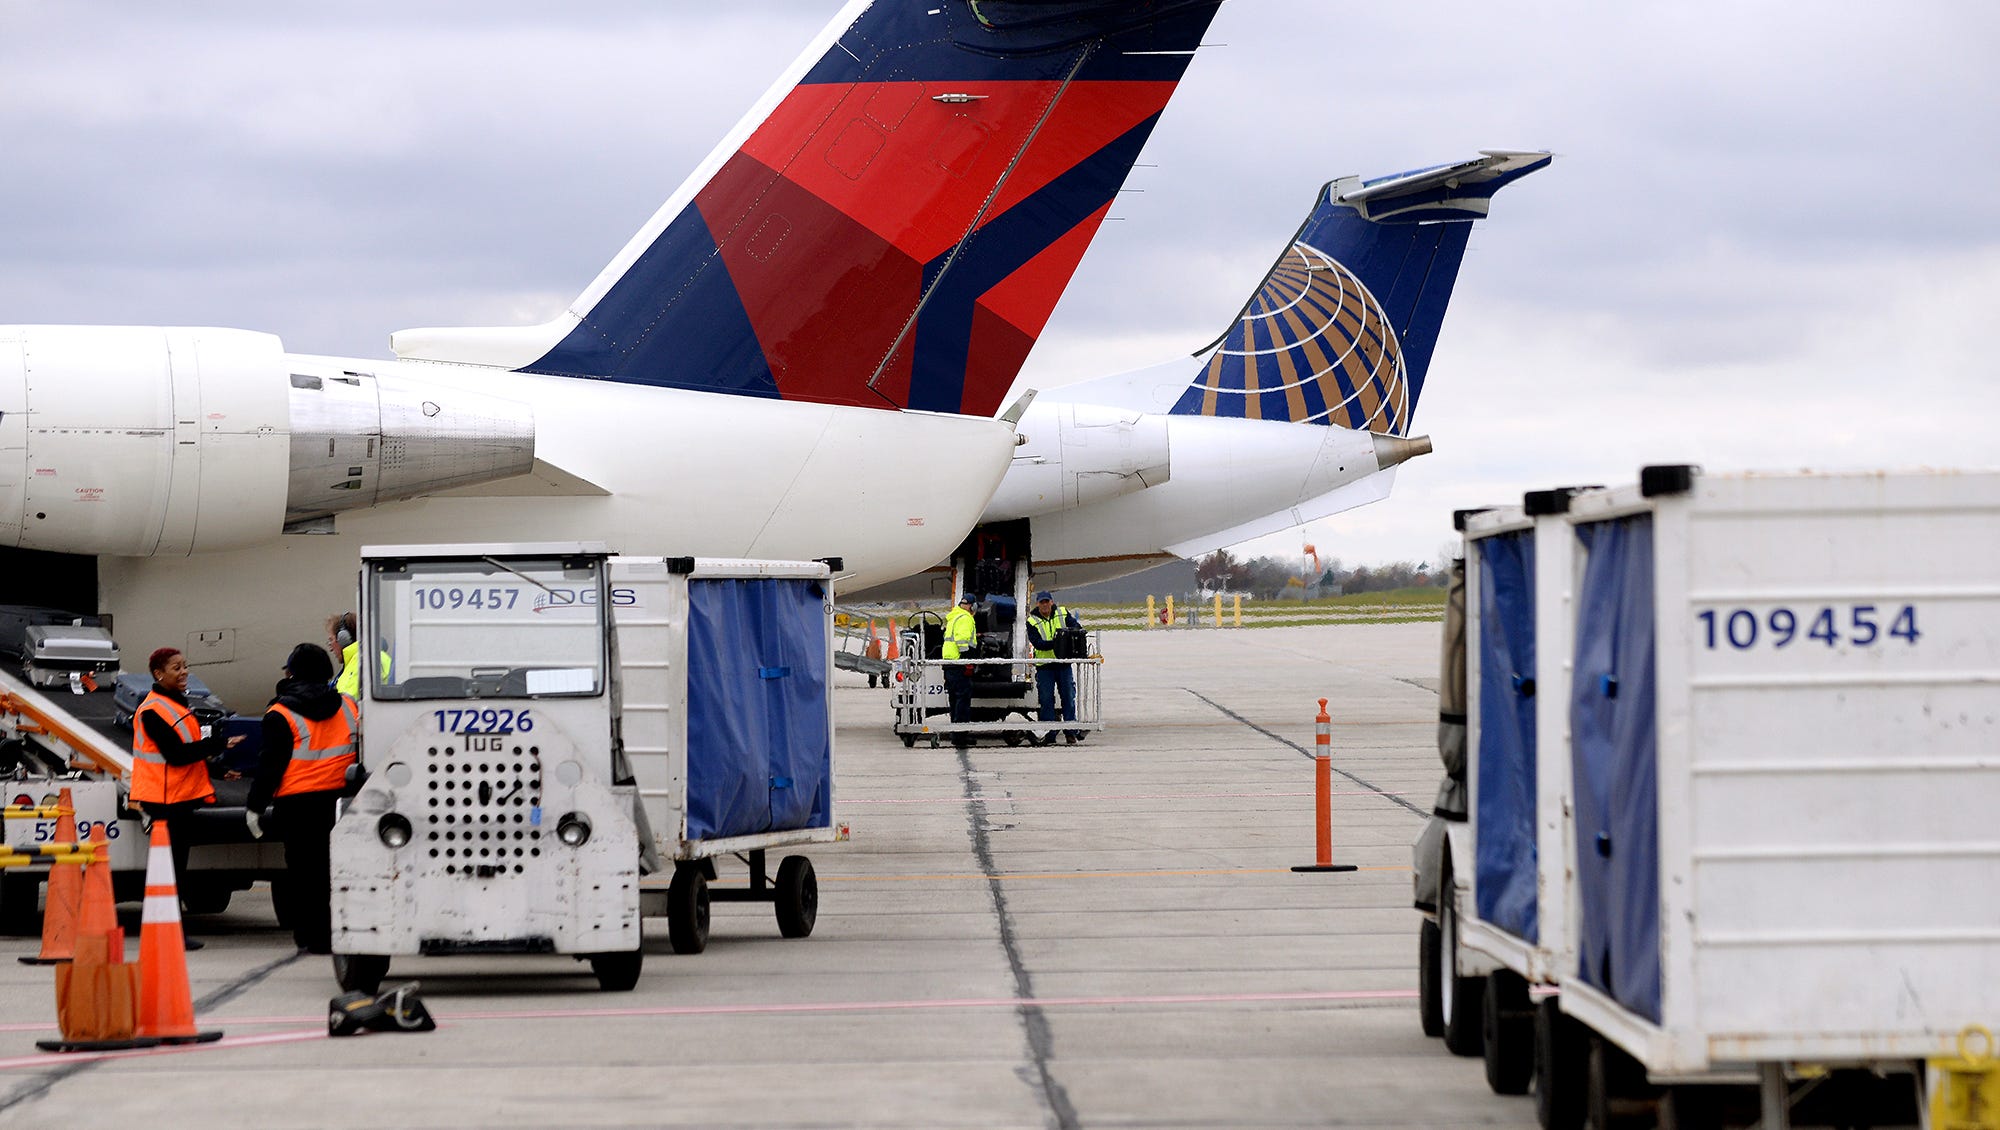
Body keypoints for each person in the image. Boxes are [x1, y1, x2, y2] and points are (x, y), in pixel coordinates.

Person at [245, 642, 359, 954]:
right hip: (341, 802)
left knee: (304, 874)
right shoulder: (350, 706)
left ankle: (312, 936)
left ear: (292, 672)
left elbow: (270, 764)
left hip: (297, 806)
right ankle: (342, 932)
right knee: (338, 871)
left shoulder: (280, 713)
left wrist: (255, 805)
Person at [131, 647, 244, 949]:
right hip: (164, 801)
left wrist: (218, 770)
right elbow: (177, 755)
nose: (184, 673)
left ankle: (170, 932)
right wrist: (218, 744)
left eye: (185, 667)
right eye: (176, 668)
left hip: (178, 798)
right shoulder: (153, 710)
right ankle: (169, 934)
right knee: (170, 871)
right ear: (159, 674)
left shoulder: (177, 706)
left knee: (174, 870)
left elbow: (187, 751)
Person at [1026, 590, 1084, 745]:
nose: (1045, 605)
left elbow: (1076, 628)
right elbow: (1037, 643)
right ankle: (1049, 734)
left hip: (1062, 664)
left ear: (1051, 602)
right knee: (1046, 700)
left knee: (1068, 698)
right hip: (1045, 666)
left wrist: (1066, 640)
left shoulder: (1062, 613)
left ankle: (1070, 732)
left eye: (1047, 602)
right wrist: (1059, 642)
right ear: (1037, 604)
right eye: (1042, 602)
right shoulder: (1031, 621)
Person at [941, 593, 979, 750]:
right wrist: (968, 660)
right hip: (959, 663)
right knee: (962, 699)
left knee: (954, 699)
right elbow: (962, 642)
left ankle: (956, 732)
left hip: (950, 663)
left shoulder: (954, 616)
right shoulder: (965, 618)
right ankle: (960, 736)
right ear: (972, 606)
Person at [328, 612, 389, 698]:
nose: (331, 648)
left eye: (331, 640)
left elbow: (346, 705)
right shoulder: (355, 663)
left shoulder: (364, 662)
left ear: (343, 639)